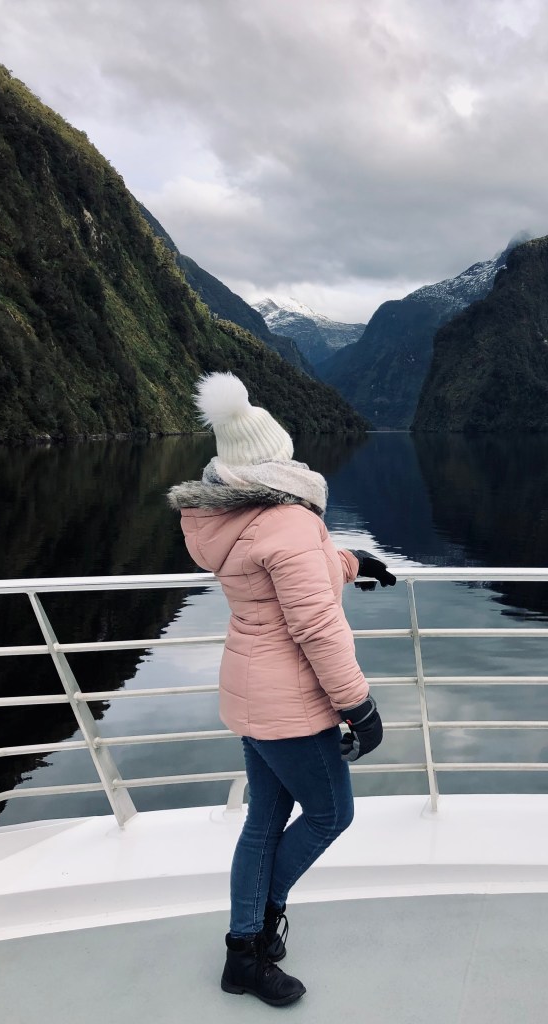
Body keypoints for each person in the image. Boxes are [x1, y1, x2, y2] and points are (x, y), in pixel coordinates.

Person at [167, 371, 396, 1007]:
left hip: (249, 689)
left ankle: (247, 947)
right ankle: (259, 925)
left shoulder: (230, 519)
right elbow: (317, 627)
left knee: (265, 821)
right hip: (292, 701)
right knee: (330, 813)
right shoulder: (287, 523)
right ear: (275, 461)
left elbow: (288, 576)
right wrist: (360, 707)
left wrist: (351, 562)